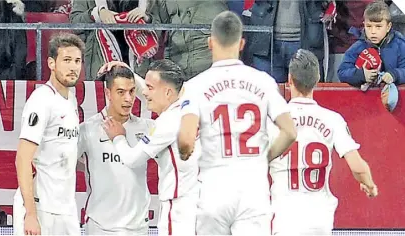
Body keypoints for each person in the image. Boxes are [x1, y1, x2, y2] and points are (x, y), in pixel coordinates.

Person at [177, 11, 297, 235]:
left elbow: (185, 140)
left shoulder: (195, 86)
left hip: (214, 189)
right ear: (242, 43)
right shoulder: (263, 81)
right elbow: (289, 131)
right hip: (253, 190)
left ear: (210, 42)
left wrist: (185, 154)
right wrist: (263, 158)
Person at [269, 49, 378, 236]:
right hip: (320, 219)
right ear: (318, 79)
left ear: (289, 80)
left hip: (286, 217)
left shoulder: (273, 120)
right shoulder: (332, 119)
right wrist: (369, 185)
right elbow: (358, 166)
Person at [103, 59, 200, 236]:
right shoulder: (189, 99)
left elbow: (132, 159)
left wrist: (118, 137)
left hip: (178, 211)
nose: (144, 93)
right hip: (198, 204)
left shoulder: (168, 122)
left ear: (168, 92)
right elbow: (157, 91)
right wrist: (130, 73)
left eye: (149, 88)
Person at [14, 32, 85, 235]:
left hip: (65, 208)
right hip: (40, 208)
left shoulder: (71, 100)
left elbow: (63, 151)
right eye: (67, 60)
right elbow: (22, 159)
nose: (73, 67)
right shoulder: (41, 100)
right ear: (52, 63)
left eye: (78, 61)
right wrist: (30, 214)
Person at [77, 62, 154, 235]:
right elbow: (63, 163)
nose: (128, 98)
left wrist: (132, 72)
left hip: (139, 228)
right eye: (121, 92)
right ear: (108, 93)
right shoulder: (88, 129)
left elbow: (169, 107)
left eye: (132, 91)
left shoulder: (147, 127)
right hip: (100, 228)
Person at [338, 1, 405, 87]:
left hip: (395, 98)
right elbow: (342, 72)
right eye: (369, 26)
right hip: (365, 99)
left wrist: (395, 75)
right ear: (364, 25)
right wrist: (361, 75)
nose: (373, 32)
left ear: (388, 27)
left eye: (378, 27)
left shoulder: (400, 46)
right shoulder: (357, 47)